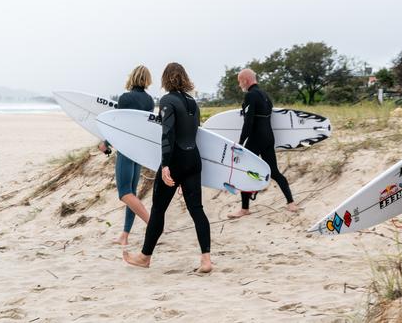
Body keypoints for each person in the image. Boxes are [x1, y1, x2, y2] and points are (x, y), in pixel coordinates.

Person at [123, 62, 212, 272]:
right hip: (193, 160)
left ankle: (145, 257)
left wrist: (166, 166)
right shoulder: (193, 102)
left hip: (175, 161)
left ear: (165, 79)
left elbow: (168, 133)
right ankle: (206, 260)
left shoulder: (167, 100)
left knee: (158, 210)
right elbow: (193, 133)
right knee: (197, 210)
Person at [227, 68, 298, 219]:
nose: (240, 85)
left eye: (240, 81)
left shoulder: (250, 96)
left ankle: (244, 209)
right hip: (268, 137)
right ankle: (291, 203)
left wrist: (241, 142)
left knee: (244, 172)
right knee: (274, 171)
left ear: (246, 80)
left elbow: (249, 121)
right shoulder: (265, 95)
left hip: (255, 139)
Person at [98, 65, 154, 246]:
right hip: (139, 150)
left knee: (124, 193)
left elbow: (118, 124)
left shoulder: (125, 98)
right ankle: (125, 235)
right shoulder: (149, 100)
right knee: (132, 194)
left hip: (126, 148)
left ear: (132, 77)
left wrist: (105, 143)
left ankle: (154, 226)